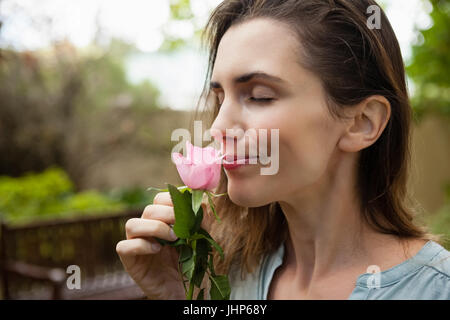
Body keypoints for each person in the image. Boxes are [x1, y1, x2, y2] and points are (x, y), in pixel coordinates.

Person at [116, 0, 450, 299]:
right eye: (219, 99)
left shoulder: (436, 290)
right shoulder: (228, 274)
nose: (217, 128)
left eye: (259, 96)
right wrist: (187, 297)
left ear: (362, 122)